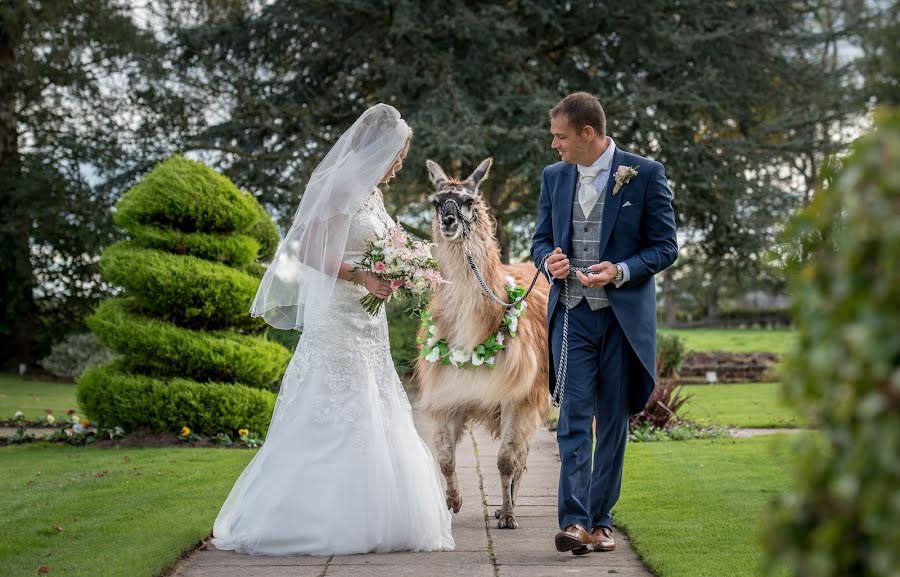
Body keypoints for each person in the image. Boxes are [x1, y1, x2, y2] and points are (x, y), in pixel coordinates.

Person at [213, 103, 454, 555]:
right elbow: (308, 251)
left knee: (375, 403)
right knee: (333, 405)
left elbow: (378, 248)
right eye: (399, 155)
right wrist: (360, 276)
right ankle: (316, 517)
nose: (401, 164)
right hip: (337, 318)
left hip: (368, 319)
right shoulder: (342, 185)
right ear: (378, 148)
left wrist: (401, 269)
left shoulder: (374, 196)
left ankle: (381, 514)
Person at [530, 92, 677, 555]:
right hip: (572, 316)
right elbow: (539, 241)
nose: (555, 145)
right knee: (573, 419)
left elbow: (666, 246)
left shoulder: (644, 173)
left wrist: (623, 270)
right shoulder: (554, 177)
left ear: (587, 133)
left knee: (612, 421)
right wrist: (548, 260)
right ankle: (573, 523)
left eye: (560, 136)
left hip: (621, 321)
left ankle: (600, 521)